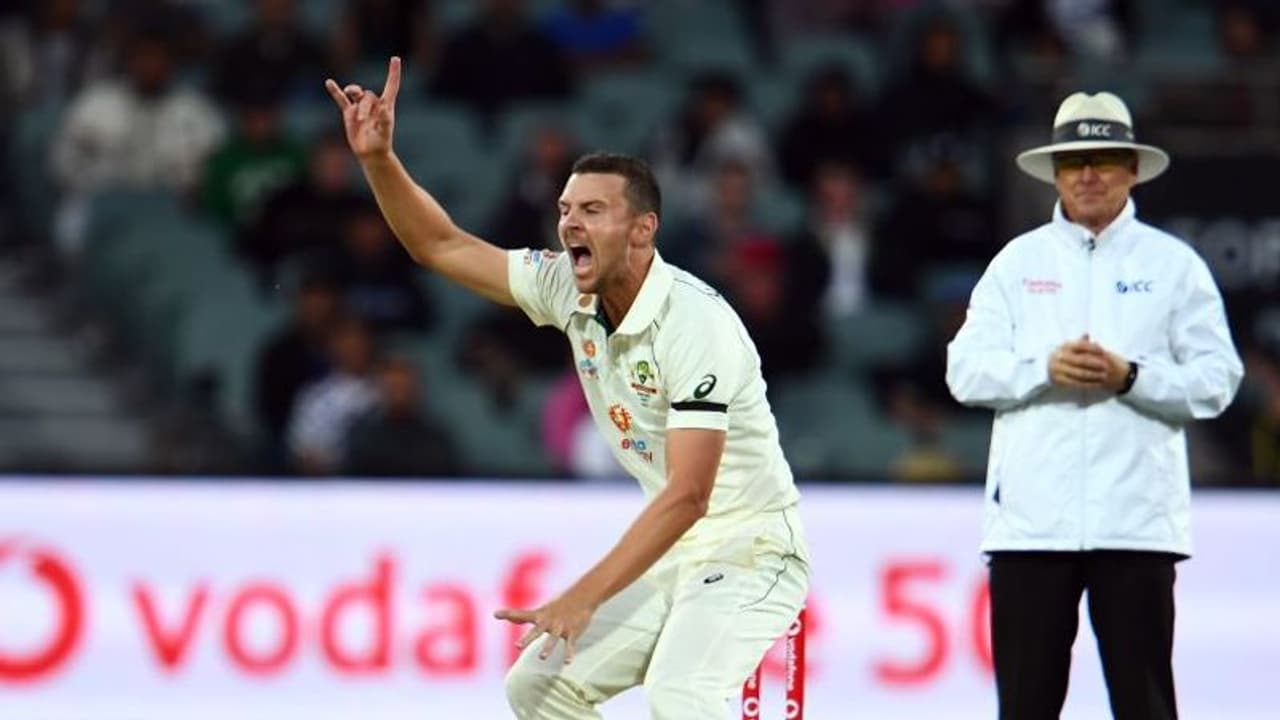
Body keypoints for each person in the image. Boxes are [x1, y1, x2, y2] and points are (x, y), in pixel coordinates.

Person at [325, 57, 809, 719]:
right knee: (537, 685)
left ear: (643, 229)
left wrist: (583, 595)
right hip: (678, 558)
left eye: (593, 210)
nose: (570, 224)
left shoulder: (696, 324)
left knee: (680, 694)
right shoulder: (565, 286)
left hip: (754, 549)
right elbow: (441, 245)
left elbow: (690, 495)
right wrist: (380, 161)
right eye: (565, 210)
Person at [945, 91, 1244, 720]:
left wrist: (1131, 377)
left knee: (1145, 705)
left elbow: (1218, 379)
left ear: (1132, 169)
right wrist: (1041, 369)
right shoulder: (1016, 264)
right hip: (1032, 526)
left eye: (1103, 160)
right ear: (1055, 173)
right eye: (1073, 161)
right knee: (1025, 707)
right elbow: (964, 371)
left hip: (1135, 523)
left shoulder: (1174, 266)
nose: (1087, 175)